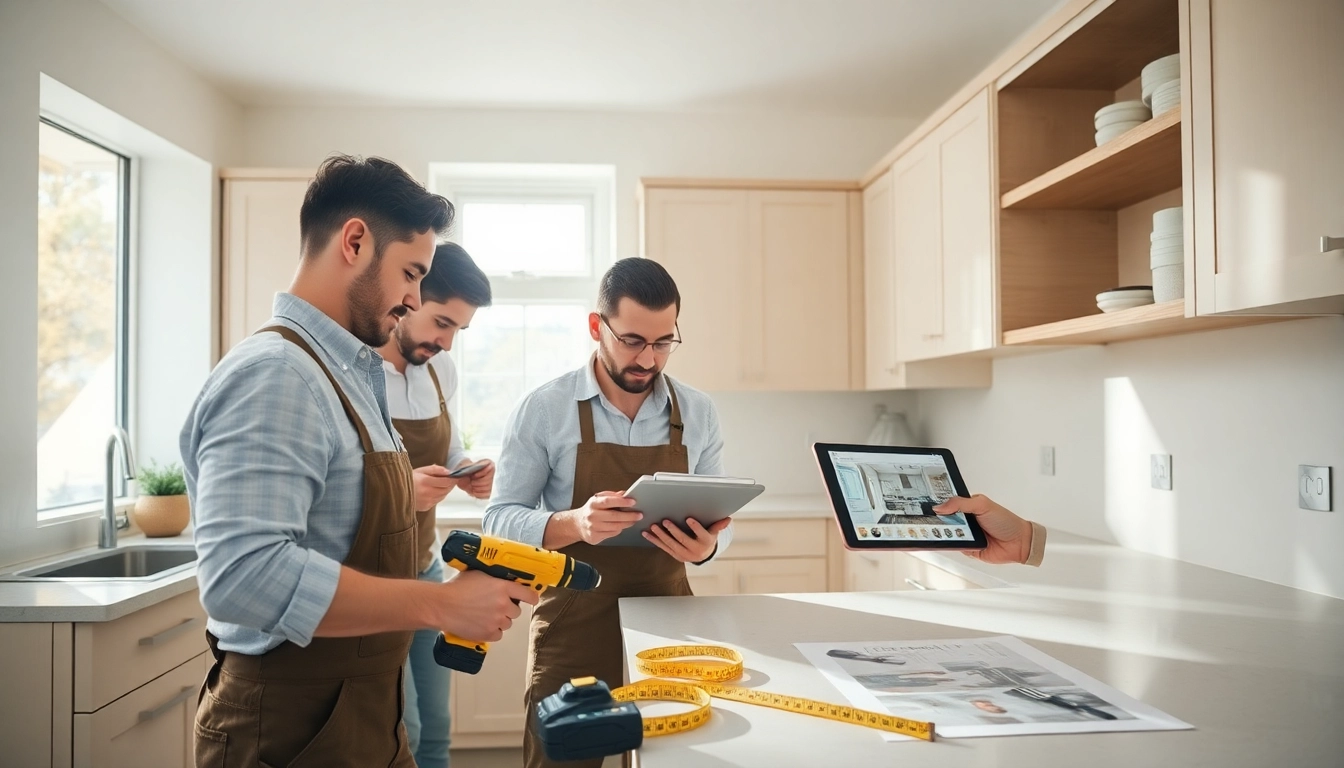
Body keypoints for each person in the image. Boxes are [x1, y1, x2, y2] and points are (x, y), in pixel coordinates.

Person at [182, 154, 538, 768]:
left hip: (361, 704)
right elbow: (242, 576)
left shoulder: (345, 374)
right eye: (411, 273)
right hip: (292, 723)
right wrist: (440, 603)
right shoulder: (277, 374)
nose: (414, 297)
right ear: (354, 242)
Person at [483, 257, 732, 768]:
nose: (648, 359)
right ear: (597, 326)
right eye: (633, 340)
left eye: (663, 342)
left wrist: (708, 548)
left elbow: (721, 522)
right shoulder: (544, 409)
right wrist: (573, 523)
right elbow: (498, 520)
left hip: (671, 624)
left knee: (673, 759)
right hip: (572, 626)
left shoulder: (699, 412)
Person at [377, 242, 495, 768]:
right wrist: (405, 488)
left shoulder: (438, 370)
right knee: (406, 725)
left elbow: (446, 452)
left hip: (425, 566)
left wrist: (467, 469)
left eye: (457, 331)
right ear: (408, 296)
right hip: (376, 579)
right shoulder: (357, 374)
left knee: (437, 727)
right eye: (441, 322)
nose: (446, 342)